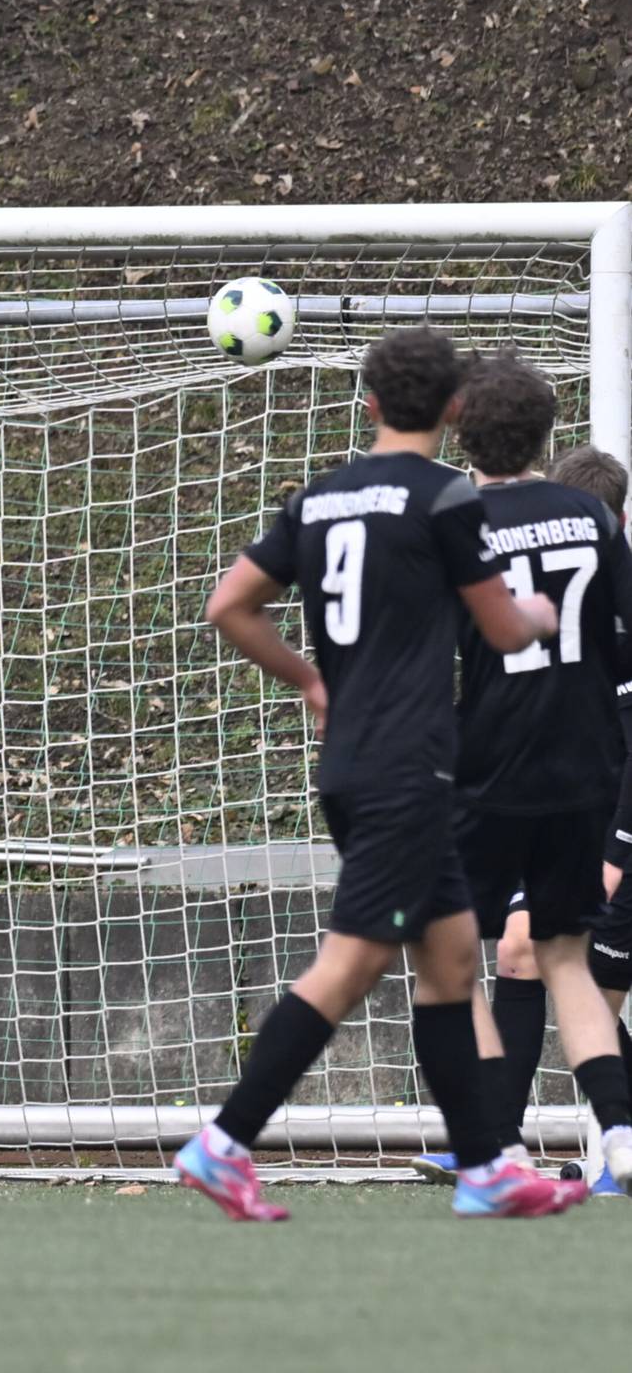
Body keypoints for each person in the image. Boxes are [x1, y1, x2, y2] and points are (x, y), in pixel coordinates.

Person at [177, 328, 581, 1221]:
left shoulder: (320, 497)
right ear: (453, 410)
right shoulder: (444, 497)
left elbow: (228, 605)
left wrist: (311, 678)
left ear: (367, 404)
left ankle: (484, 1167)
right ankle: (224, 1140)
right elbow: (506, 631)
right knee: (352, 963)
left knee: (449, 961)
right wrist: (540, 611)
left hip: (362, 758)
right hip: (405, 767)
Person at [437, 441, 632, 1193]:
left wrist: (616, 849)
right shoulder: (577, 611)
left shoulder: (605, 614)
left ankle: (497, 1144)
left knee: (546, 965)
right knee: (529, 957)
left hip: (610, 827)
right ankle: (495, 1140)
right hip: (574, 808)